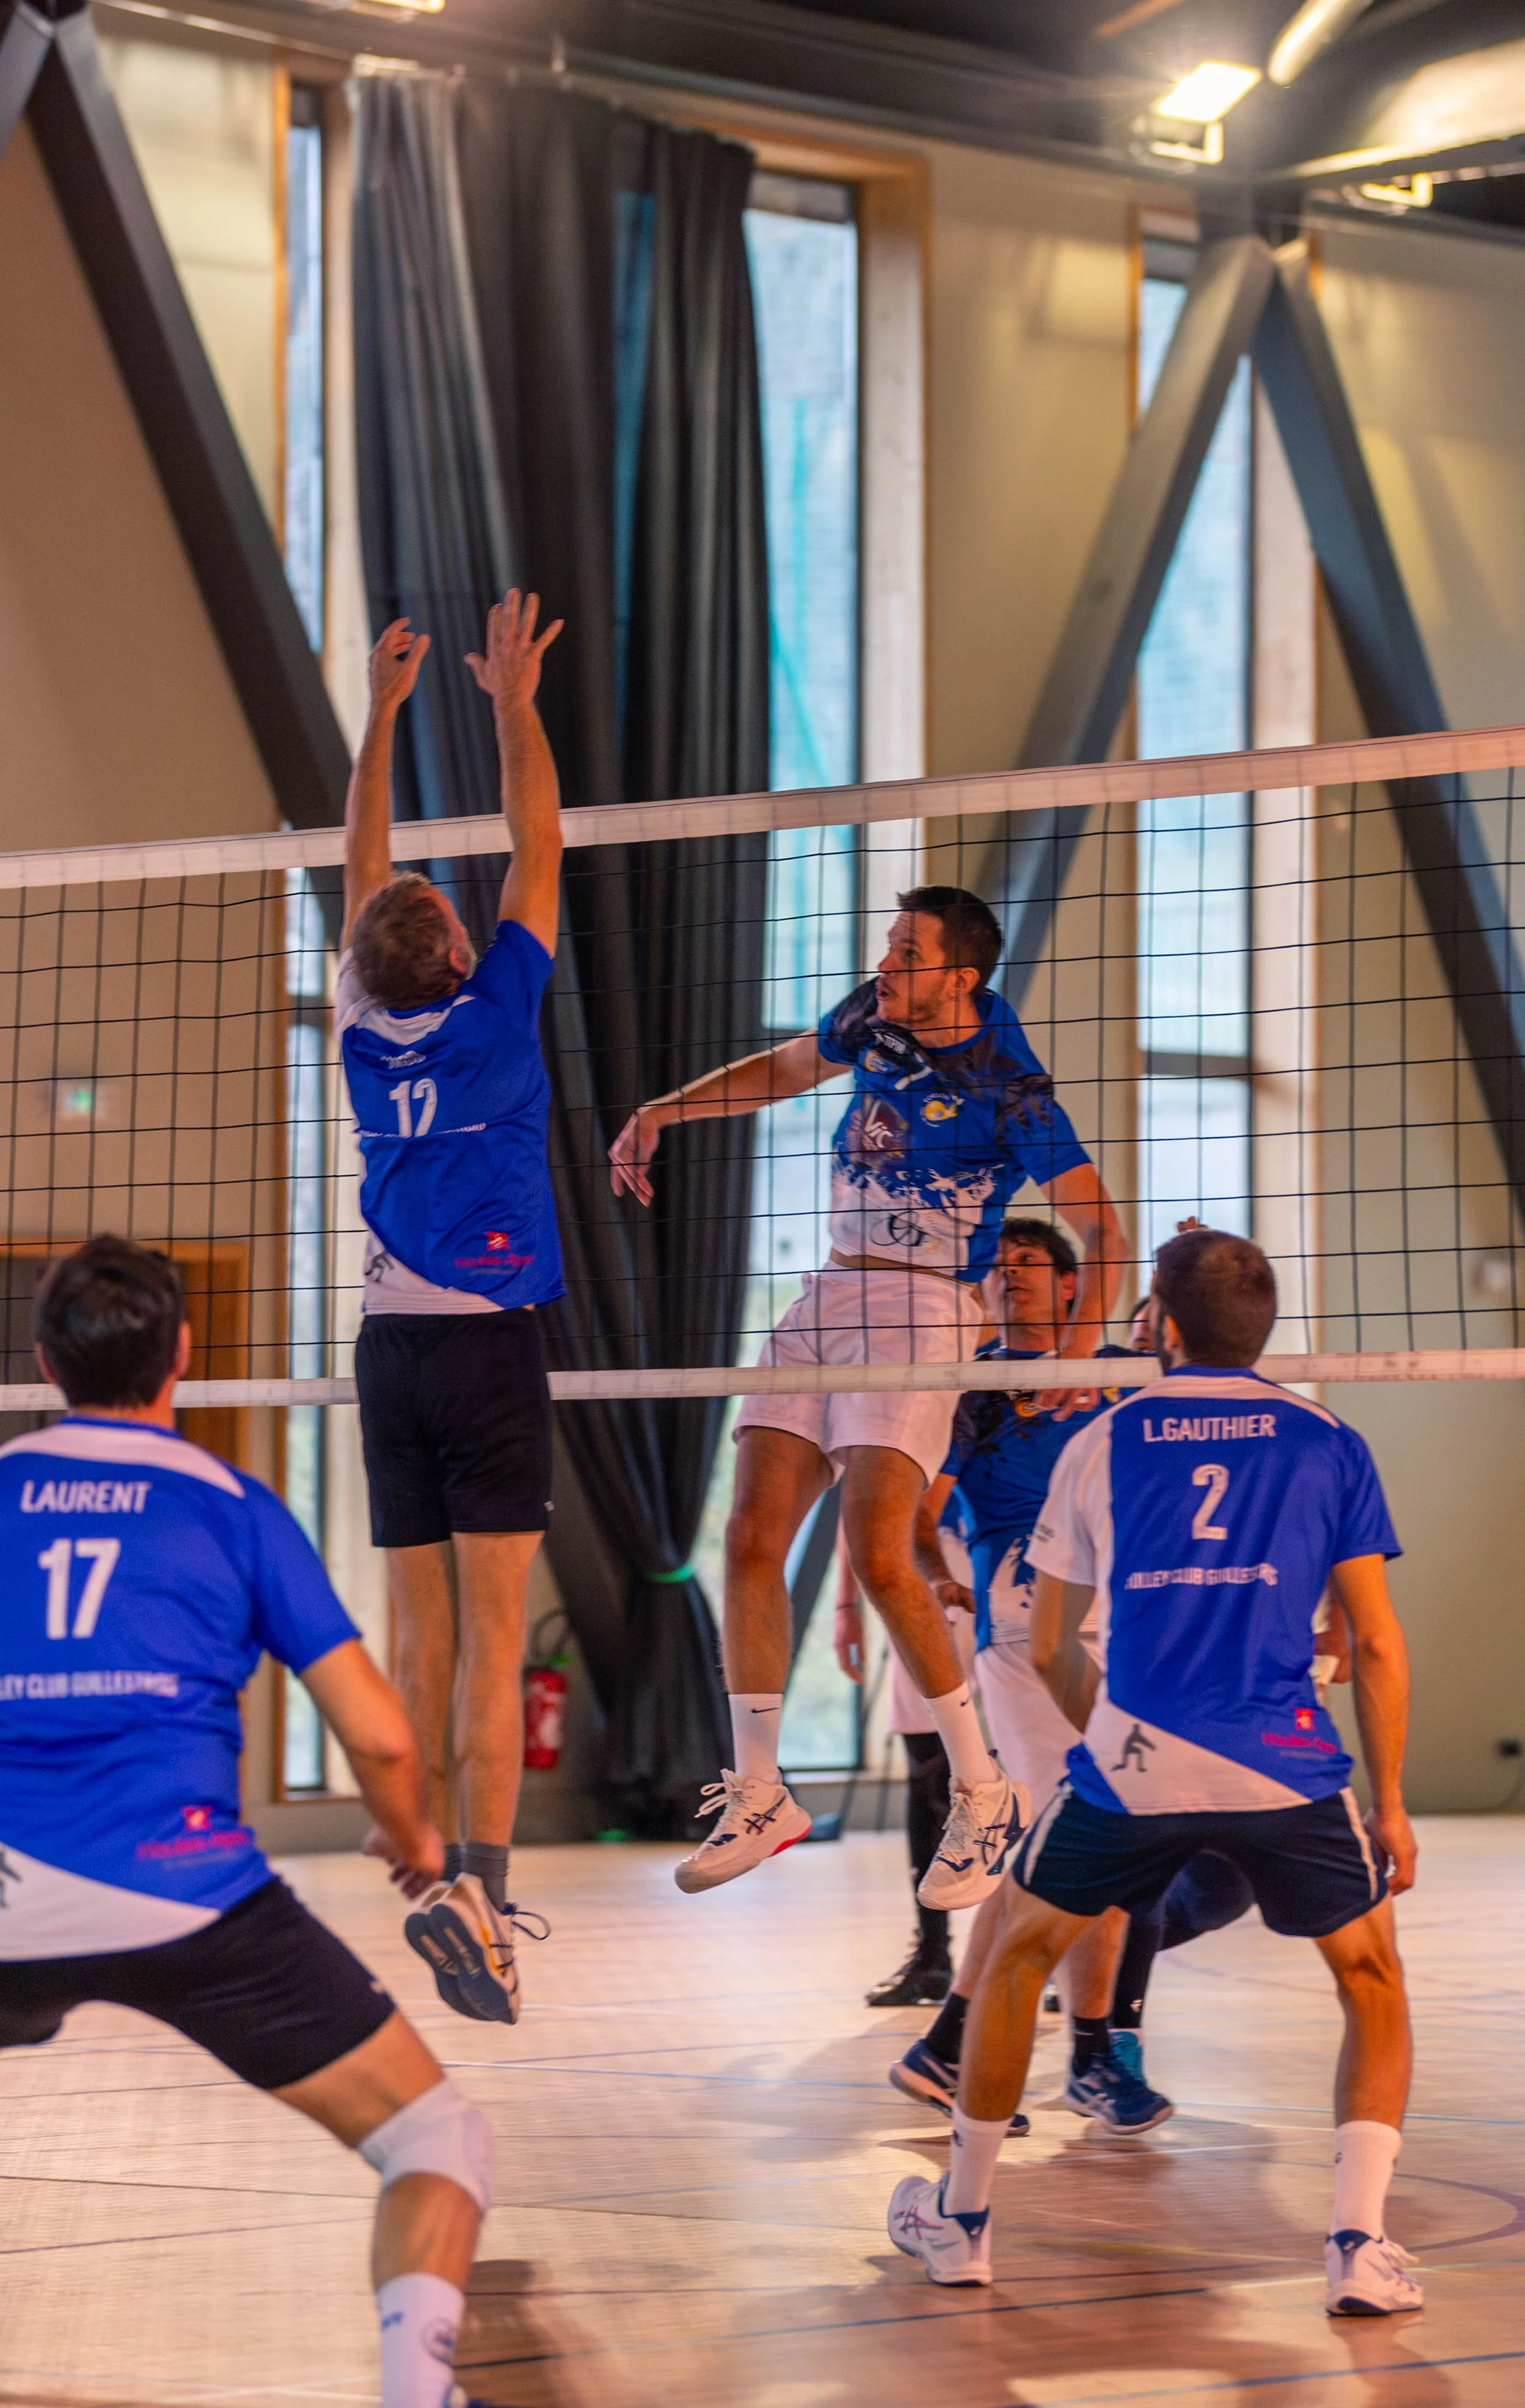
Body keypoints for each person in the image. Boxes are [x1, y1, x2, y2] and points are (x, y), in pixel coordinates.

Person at [888, 1227, 1422, 2321]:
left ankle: (967, 2222)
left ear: (1163, 1329)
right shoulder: (1331, 1439)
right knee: (1371, 1983)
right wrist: (1395, 1803)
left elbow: (1046, 1643)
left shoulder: (1103, 1436)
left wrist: (1115, 1738)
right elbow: (1372, 1642)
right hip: (1287, 1766)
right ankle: (1359, 2246)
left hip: (1136, 1763)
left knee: (1015, 1957)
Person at [0, 1238, 493, 2408]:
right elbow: (377, 1735)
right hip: (191, 1896)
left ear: (41, 1361)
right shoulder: (232, 1507)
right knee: (434, 2142)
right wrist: (419, 1843)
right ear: (184, 1352)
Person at [610, 889, 1127, 1905]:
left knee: (881, 1549)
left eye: (907, 951)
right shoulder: (877, 1018)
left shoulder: (1013, 1091)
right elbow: (787, 1068)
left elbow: (1103, 1228)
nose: (887, 963)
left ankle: (983, 1789)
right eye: (889, 947)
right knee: (751, 1534)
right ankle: (761, 1789)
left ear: (961, 977)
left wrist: (1074, 1350)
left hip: (924, 1309)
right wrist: (668, 1107)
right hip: (830, 1287)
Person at [337, 593, 564, 2023]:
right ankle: (478, 1876)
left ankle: (421, 1866)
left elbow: (365, 864)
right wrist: (509, 703)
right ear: (467, 961)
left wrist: (380, 718)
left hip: (386, 1345)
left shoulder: (362, 1030)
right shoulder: (495, 1021)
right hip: (486, 1350)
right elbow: (538, 843)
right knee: (493, 1634)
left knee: (417, 1631)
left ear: (365, 965)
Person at [889, 1217, 1172, 2134]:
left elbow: (1190, 1335)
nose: (1010, 1277)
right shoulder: (974, 1392)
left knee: (1071, 1850)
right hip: (1021, 1629)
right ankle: (1087, 2056)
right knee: (1094, 1840)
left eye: (1029, 1264)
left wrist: (1187, 1261)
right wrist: (936, 1573)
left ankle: (950, 2047)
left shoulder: (1117, 1373)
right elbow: (923, 1510)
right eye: (997, 1267)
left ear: (1069, 1286)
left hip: (1114, 1633)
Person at [835, 1507, 977, 2007]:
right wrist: (846, 1606)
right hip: (919, 1587)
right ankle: (933, 1957)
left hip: (1007, 1566)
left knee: (1037, 1780)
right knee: (930, 1786)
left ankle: (1049, 1949)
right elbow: (859, 1500)